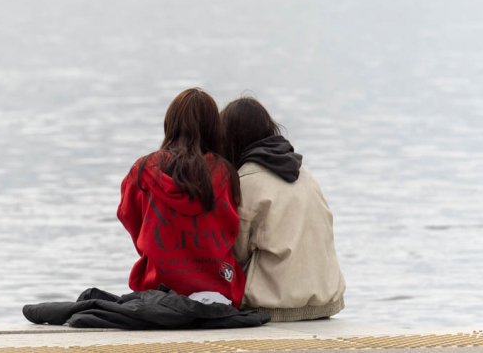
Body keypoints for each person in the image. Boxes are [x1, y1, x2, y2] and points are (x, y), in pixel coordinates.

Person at [220, 96, 345, 321]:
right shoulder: (305, 174)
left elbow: (235, 254)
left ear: (229, 139)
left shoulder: (245, 182)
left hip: (274, 306)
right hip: (327, 301)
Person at [117, 88, 246, 307]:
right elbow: (230, 228)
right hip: (219, 290)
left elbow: (130, 218)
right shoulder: (224, 173)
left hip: (157, 289)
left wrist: (160, 254)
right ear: (214, 128)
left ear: (170, 123)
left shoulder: (143, 169)